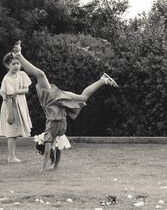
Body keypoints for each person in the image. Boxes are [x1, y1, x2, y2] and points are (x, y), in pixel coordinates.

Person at [10, 41, 118, 172]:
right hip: (55, 100)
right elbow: (56, 148)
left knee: (41, 75)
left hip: (52, 99)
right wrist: (53, 166)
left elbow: (51, 151)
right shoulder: (54, 135)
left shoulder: (51, 134)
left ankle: (18, 54)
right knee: (82, 97)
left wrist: (44, 169)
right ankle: (103, 80)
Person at [0, 52, 33, 163]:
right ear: (7, 65)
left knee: (15, 132)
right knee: (12, 133)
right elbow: (8, 97)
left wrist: (17, 92)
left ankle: (12, 155)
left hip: (20, 104)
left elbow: (26, 89)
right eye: (13, 64)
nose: (16, 66)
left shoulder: (22, 75)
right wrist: (10, 113)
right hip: (11, 106)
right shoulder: (7, 79)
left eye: (18, 63)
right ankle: (11, 157)